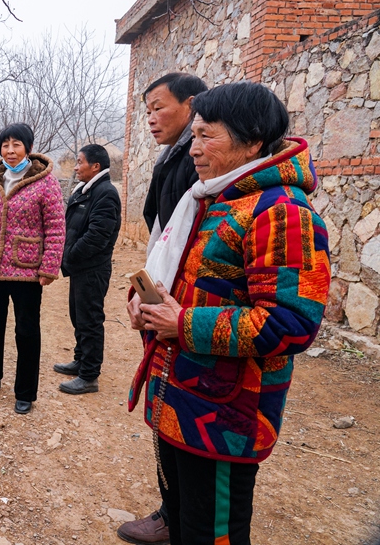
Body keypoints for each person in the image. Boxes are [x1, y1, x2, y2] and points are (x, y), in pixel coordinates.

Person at [126, 81, 330, 544]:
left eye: (206, 136)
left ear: (253, 139)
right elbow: (190, 283)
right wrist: (148, 307)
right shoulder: (216, 199)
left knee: (213, 531)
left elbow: (289, 323)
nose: (193, 149)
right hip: (182, 396)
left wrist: (181, 324)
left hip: (225, 412)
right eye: (193, 136)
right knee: (182, 519)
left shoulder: (282, 213)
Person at [118, 71, 208, 545]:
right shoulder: (172, 160)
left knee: (184, 423)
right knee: (163, 412)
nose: (151, 118)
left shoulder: (205, 171)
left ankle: (176, 517)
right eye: (146, 110)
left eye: (159, 107)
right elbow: (163, 233)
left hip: (189, 318)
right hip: (164, 305)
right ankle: (169, 512)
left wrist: (181, 316)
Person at [0, 122, 65, 415]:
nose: (10, 150)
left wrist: (49, 266)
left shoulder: (46, 183)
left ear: (28, 149)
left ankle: (25, 392)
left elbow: (56, 228)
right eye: (5, 145)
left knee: (27, 330)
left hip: (27, 269)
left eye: (16, 144)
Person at [54, 144, 121, 394]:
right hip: (79, 267)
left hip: (92, 269)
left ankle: (89, 375)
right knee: (78, 316)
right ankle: (80, 359)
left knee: (90, 320)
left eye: (80, 162)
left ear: (96, 166)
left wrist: (70, 255)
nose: (75, 167)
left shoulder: (105, 193)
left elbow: (97, 236)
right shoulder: (85, 190)